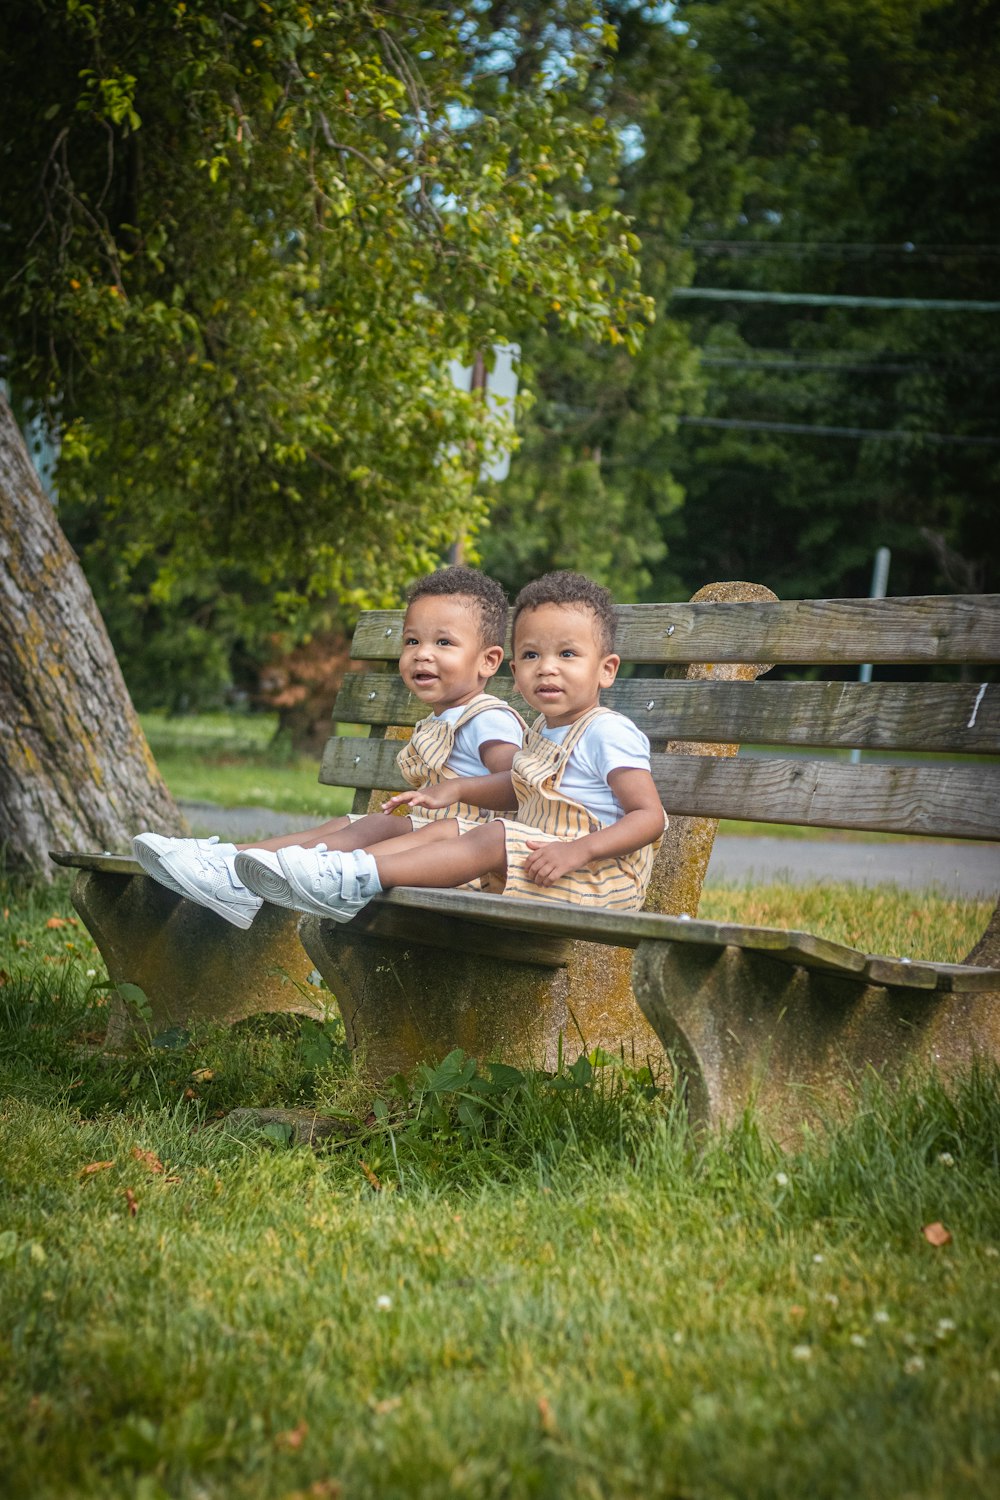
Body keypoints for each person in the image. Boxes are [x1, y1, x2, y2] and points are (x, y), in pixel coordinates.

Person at [132, 566, 526, 927]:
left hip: (462, 862)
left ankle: (245, 874)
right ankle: (230, 861)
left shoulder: (487, 719)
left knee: (373, 825)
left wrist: (455, 790)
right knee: (348, 824)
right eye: (412, 640)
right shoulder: (445, 718)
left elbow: (516, 785)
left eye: (443, 642)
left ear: (489, 661)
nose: (422, 652)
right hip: (431, 844)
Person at [271, 571, 667, 921]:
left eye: (567, 654)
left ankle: (358, 878)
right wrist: (457, 789)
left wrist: (578, 851)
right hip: (542, 859)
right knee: (449, 829)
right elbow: (517, 787)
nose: (547, 666)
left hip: (599, 879)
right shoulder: (542, 729)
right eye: (531, 654)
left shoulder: (607, 732)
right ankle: (334, 870)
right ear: (514, 672)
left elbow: (649, 817)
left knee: (491, 835)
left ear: (606, 670)